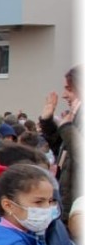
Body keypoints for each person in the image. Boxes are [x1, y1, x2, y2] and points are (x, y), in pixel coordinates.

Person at [40, 67, 79, 222]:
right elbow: (64, 153)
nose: (64, 95)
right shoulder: (75, 119)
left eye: (69, 89)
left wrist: (67, 128)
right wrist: (47, 122)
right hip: (68, 209)